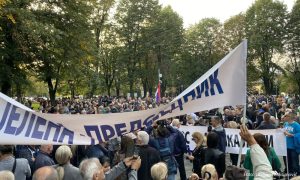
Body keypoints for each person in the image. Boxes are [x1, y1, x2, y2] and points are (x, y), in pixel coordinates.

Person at [283, 112, 300, 176]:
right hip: (286, 146)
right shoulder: (285, 124)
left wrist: (291, 135)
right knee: (288, 162)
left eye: (286, 116)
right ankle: (290, 175)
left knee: (294, 163)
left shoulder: (297, 125)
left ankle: (297, 175)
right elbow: (284, 132)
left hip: (293, 147)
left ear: (290, 117)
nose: (284, 117)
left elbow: (299, 135)